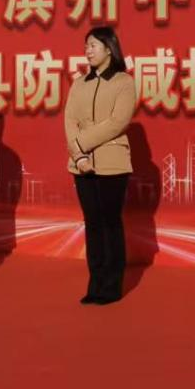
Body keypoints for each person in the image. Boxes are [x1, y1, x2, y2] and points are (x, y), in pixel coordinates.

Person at [63, 26, 138, 305]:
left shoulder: (123, 82)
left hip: (112, 163)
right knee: (92, 224)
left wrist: (81, 144)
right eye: (86, 46)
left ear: (109, 48)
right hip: (80, 164)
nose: (88, 50)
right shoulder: (79, 83)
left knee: (110, 224)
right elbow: (69, 120)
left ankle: (111, 287)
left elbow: (118, 122)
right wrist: (79, 156)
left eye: (93, 45)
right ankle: (94, 285)